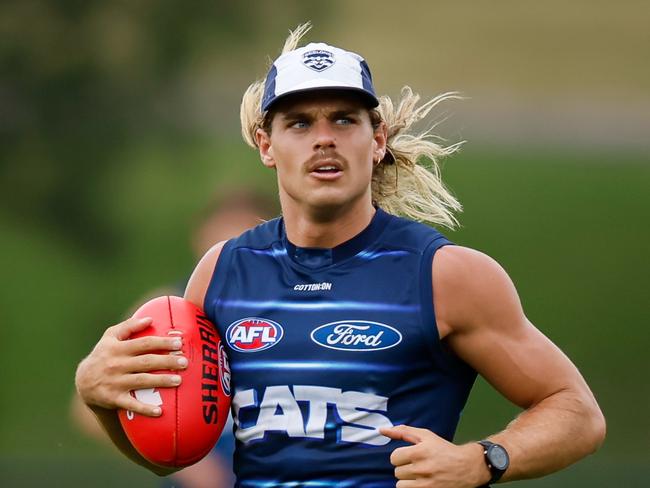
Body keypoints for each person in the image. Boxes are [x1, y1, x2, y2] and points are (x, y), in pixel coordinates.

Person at [75, 24, 605, 487]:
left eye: (344, 120)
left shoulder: (447, 276)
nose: (323, 139)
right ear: (266, 144)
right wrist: (101, 399)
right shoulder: (222, 273)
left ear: (376, 139)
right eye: (300, 122)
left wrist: (483, 460)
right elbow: (172, 455)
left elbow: (577, 412)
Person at [71, 189, 278, 488]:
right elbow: (88, 406)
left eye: (241, 239)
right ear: (199, 240)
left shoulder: (293, 311)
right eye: (219, 241)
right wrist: (191, 467)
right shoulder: (163, 313)